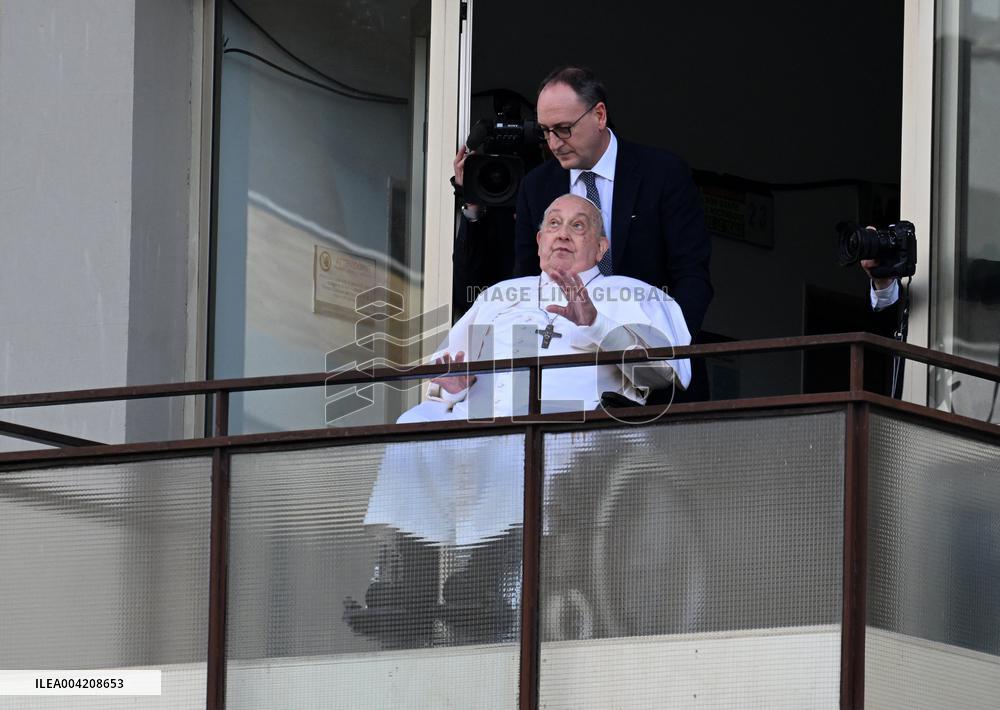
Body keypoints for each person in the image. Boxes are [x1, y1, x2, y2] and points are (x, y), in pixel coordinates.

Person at [397, 193, 691, 424]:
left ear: (602, 248)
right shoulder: (499, 295)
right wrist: (452, 387)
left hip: (571, 437)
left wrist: (597, 325)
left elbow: (660, 375)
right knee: (411, 425)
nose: (562, 234)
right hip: (478, 430)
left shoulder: (631, 293)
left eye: (577, 226)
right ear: (540, 241)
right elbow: (448, 375)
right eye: (554, 224)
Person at [513, 67, 713, 340]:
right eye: (546, 132)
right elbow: (525, 281)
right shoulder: (535, 186)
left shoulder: (663, 174)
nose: (554, 144)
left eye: (564, 129)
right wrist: (523, 357)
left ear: (599, 115)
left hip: (648, 350)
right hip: (562, 352)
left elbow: (692, 275)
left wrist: (668, 349)